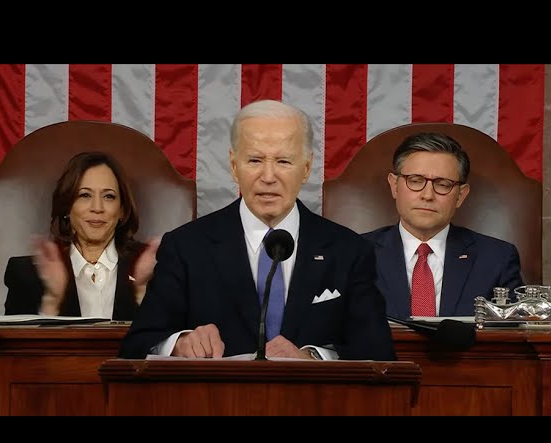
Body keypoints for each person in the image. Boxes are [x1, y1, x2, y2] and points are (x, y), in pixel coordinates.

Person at [119, 99, 395, 360]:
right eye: (254, 160)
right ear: (233, 165)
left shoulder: (348, 250)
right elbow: (138, 344)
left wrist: (313, 357)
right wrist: (179, 343)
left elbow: (378, 351)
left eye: (283, 161)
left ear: (307, 167)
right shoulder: (186, 246)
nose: (268, 177)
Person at [362, 132, 523, 319]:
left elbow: (513, 336)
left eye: (443, 184)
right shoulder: (355, 253)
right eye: (415, 181)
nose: (428, 195)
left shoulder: (497, 259)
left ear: (461, 195)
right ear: (394, 185)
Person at [4, 151, 160, 319]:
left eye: (109, 196)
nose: (97, 207)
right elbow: (16, 344)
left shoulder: (153, 268)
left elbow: (168, 340)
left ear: (122, 209)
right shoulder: (26, 274)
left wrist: (142, 293)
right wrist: (52, 302)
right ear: (67, 207)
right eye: (85, 195)